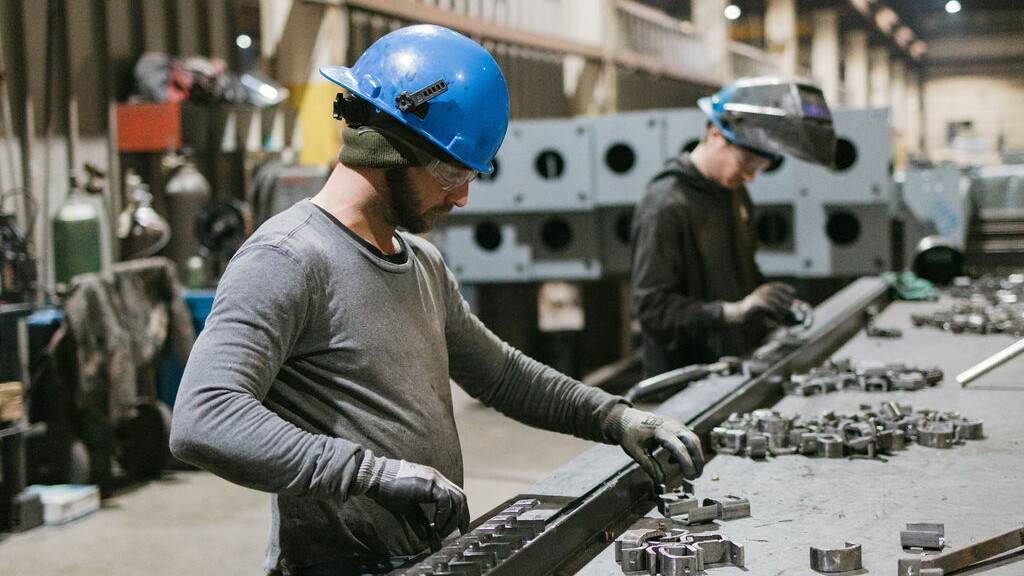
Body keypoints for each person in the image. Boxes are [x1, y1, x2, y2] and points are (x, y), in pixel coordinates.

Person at [169, 24, 704, 576]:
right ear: (387, 144)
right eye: (450, 171)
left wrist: (613, 418)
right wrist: (370, 474)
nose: (462, 196)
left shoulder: (421, 262)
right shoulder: (288, 258)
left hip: (430, 559)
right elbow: (205, 416)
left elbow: (501, 374)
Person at [630, 77, 836, 377]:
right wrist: (735, 312)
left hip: (731, 366)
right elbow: (652, 311)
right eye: (746, 163)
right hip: (683, 378)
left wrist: (769, 307)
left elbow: (740, 274)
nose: (750, 177)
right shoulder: (665, 206)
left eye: (759, 168)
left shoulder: (733, 193)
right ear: (716, 135)